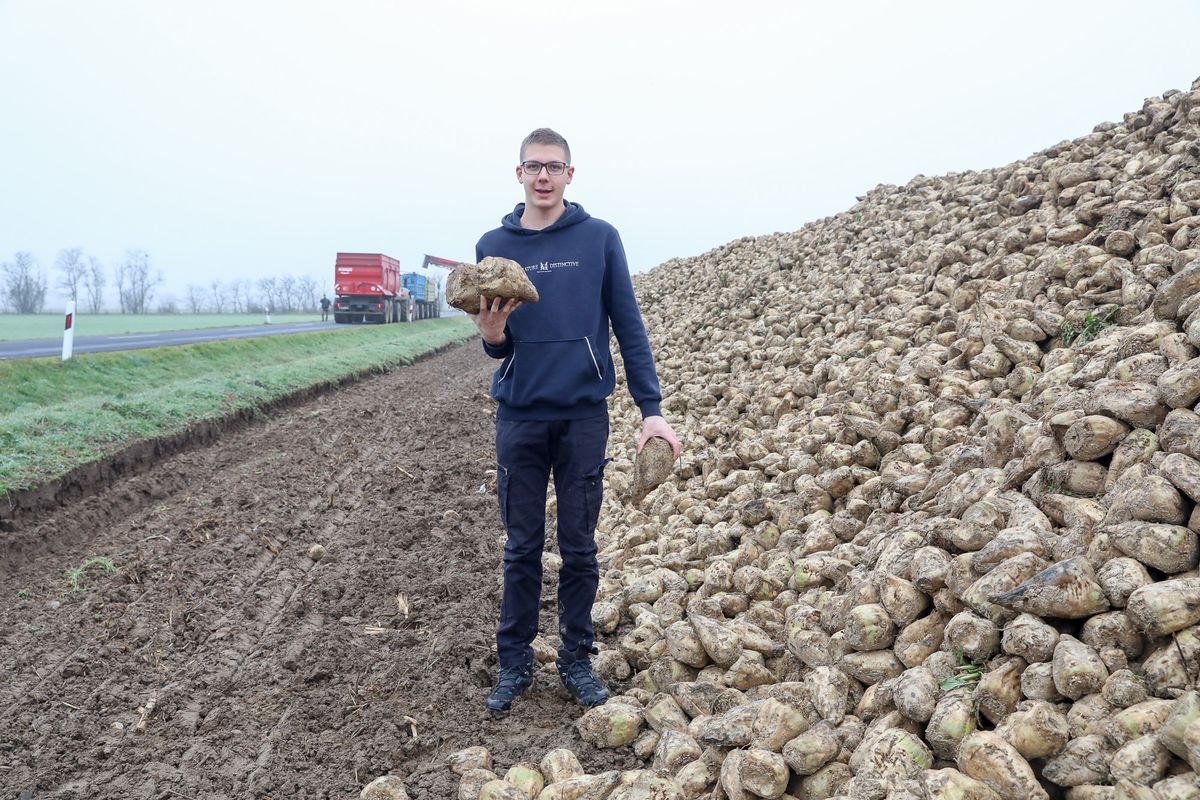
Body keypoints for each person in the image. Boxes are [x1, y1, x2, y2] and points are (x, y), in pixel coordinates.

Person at [470, 128, 681, 715]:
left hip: (584, 415)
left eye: (554, 167)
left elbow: (628, 327)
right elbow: (498, 341)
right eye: (533, 166)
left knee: (580, 547)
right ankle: (513, 665)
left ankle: (576, 660)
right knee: (521, 548)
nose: (543, 176)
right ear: (518, 174)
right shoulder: (494, 244)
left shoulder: (599, 239)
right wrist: (491, 339)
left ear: (569, 174)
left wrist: (651, 412)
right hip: (520, 416)